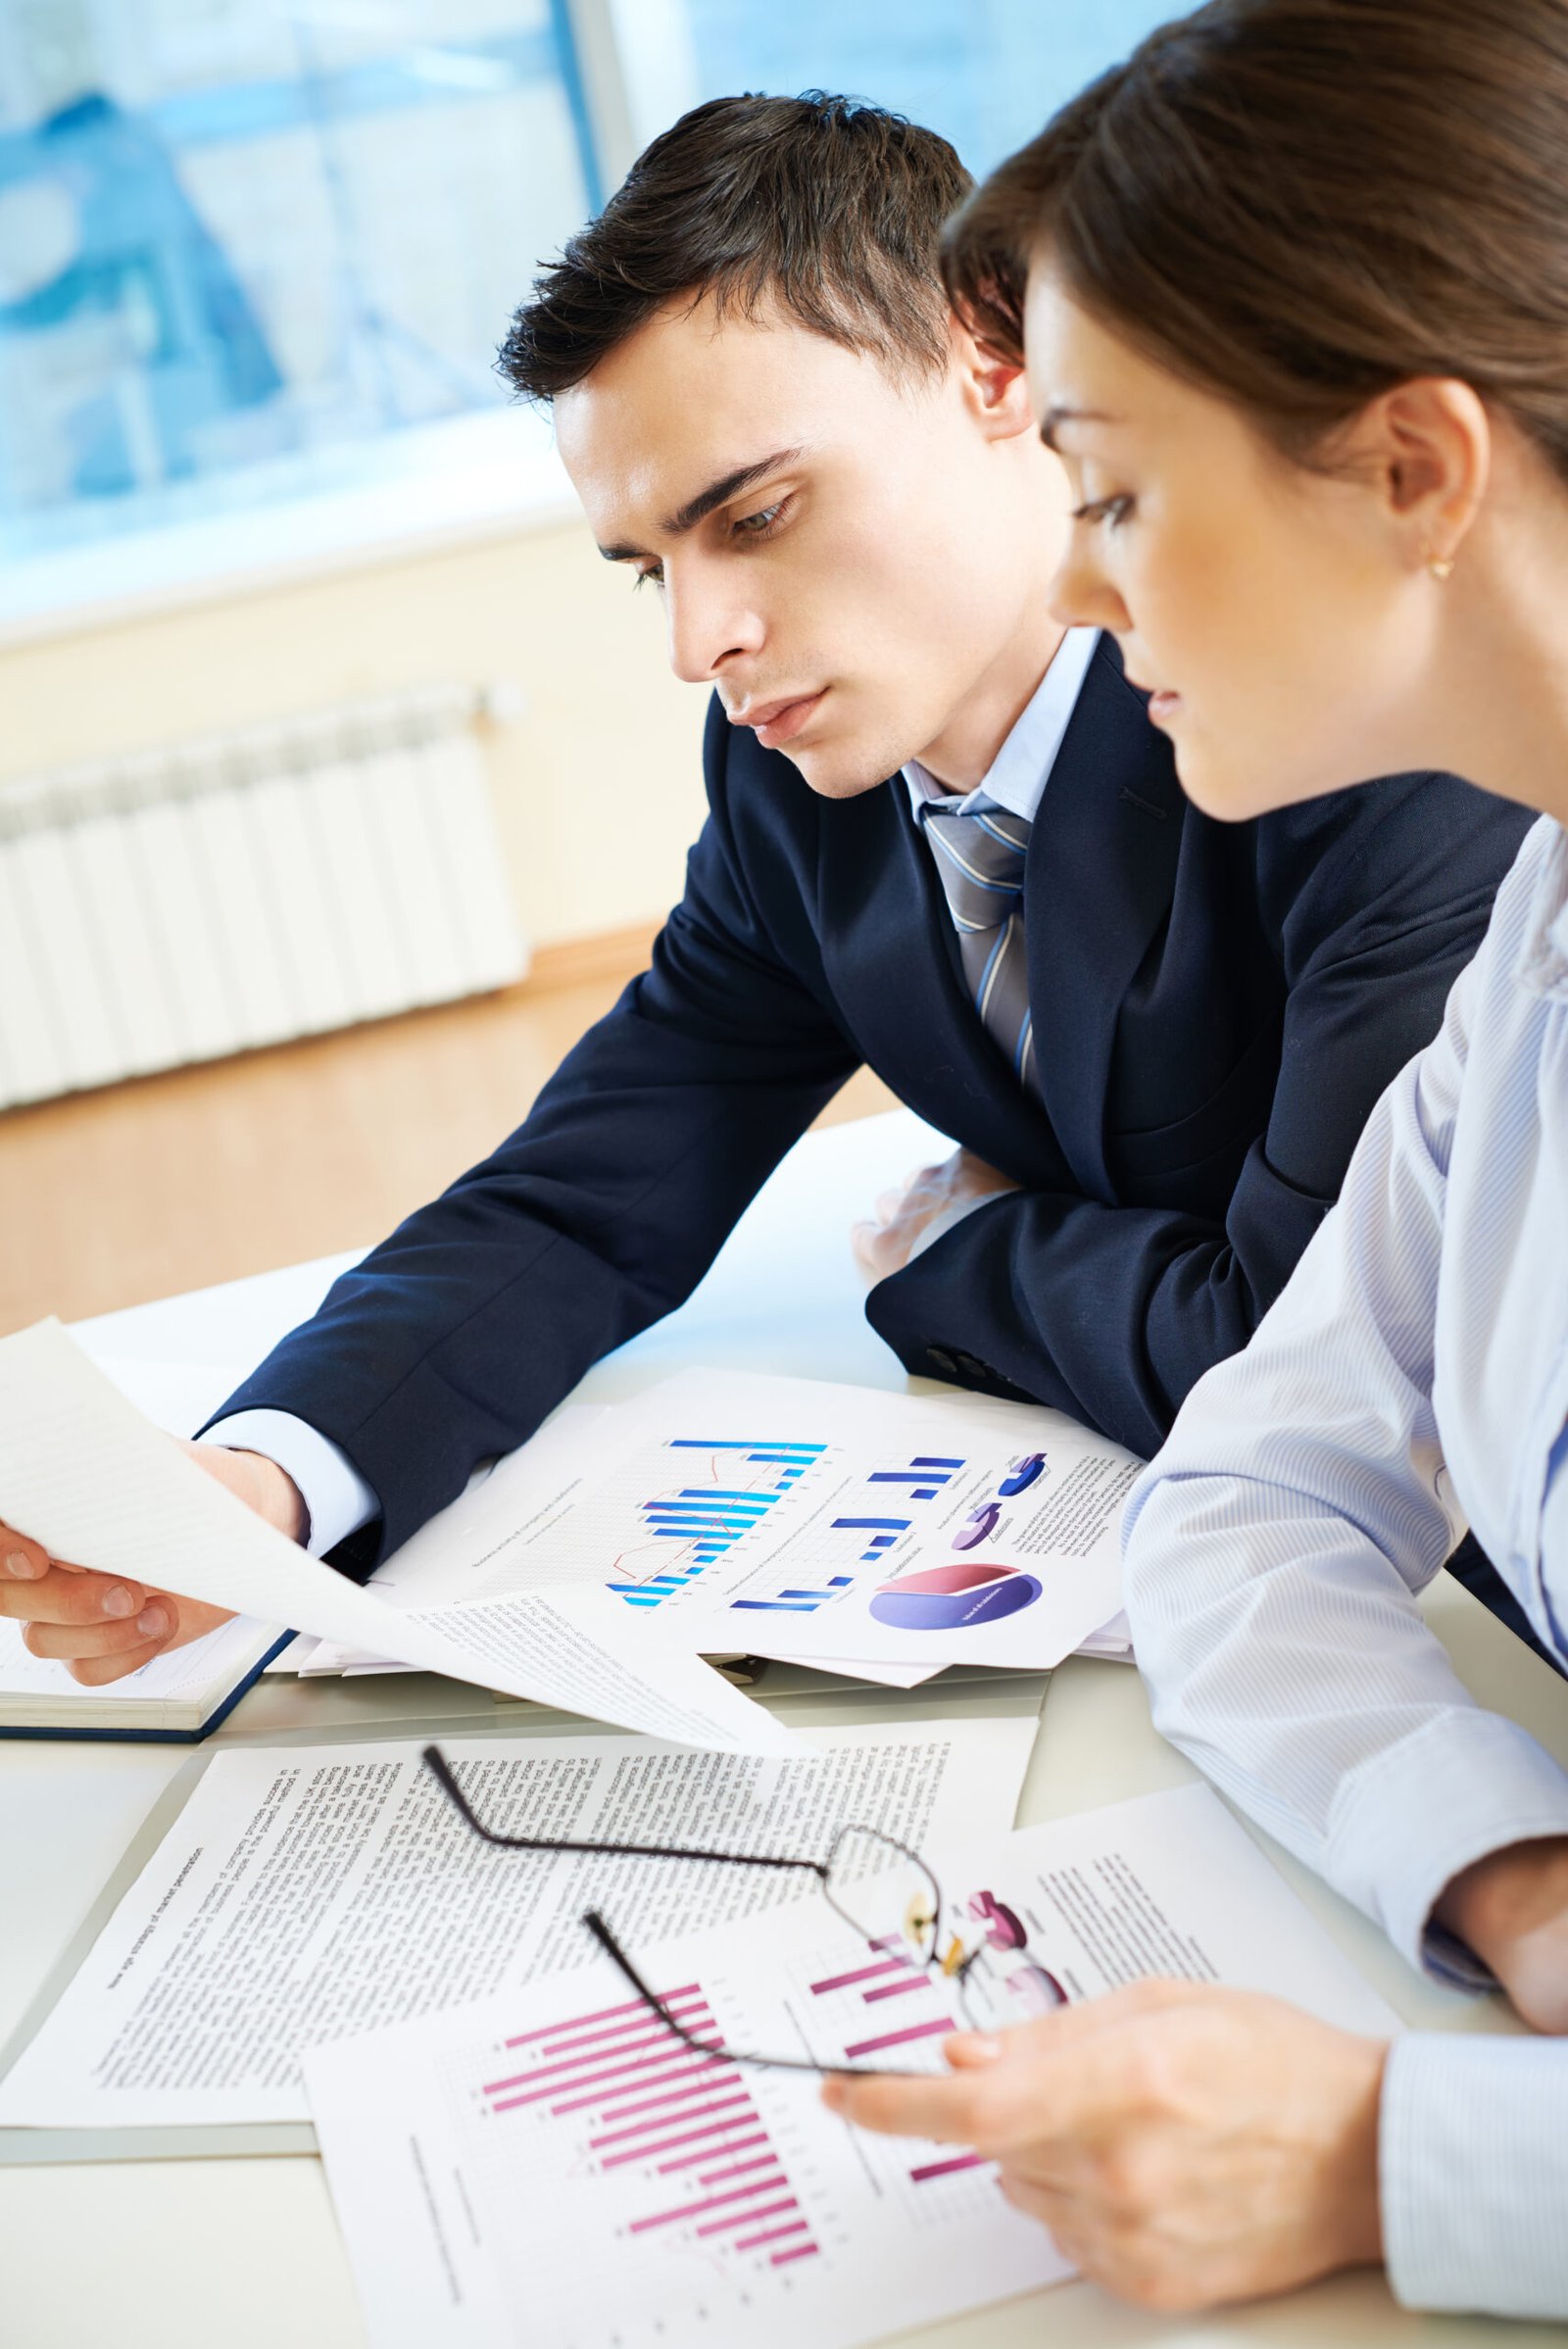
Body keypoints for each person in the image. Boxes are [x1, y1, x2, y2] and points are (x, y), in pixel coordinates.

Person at [0, 90, 1525, 1685]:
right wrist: (268, 1482)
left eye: (759, 515)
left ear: (992, 366)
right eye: (655, 565)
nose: (696, 641)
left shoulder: (1343, 731)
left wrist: (960, 1253)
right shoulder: (797, 785)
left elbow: (1312, 1356)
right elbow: (587, 1191)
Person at [825, 0, 1568, 2322]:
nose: (1067, 584)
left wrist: (1394, 2155)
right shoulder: (1540, 933)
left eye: (1117, 490)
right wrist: (1506, 1862)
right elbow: (1248, 1494)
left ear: (1412, 469)